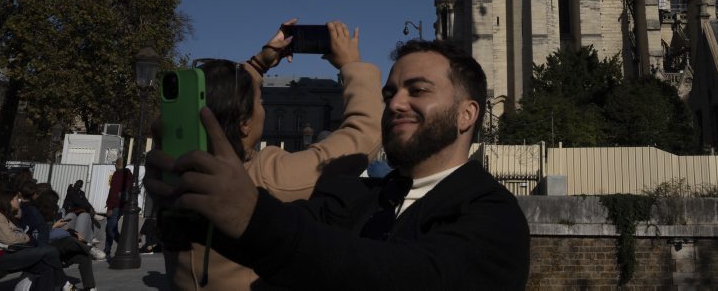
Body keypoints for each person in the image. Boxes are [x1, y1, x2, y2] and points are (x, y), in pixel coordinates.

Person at [148, 38, 530, 290]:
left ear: (467, 114)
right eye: (390, 92)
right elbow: (294, 234)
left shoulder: (492, 215)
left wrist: (252, 216)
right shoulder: (353, 196)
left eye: (418, 90)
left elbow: (409, 274)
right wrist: (190, 202)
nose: (395, 103)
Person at [162, 19, 383, 290]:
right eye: (260, 101)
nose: (263, 108)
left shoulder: (172, 169)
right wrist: (352, 65)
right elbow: (363, 136)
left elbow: (217, 99)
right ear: (244, 123)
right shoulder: (263, 178)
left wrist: (258, 64)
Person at [0, 190, 69, 291]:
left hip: (10, 253)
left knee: (46, 267)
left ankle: (62, 283)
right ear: (7, 201)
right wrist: (28, 237)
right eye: (16, 199)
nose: (19, 200)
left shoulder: (5, 215)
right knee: (50, 250)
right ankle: (64, 282)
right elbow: (10, 238)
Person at [103, 158, 132, 259]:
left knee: (111, 229)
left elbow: (113, 192)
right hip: (122, 206)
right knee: (109, 228)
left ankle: (123, 246)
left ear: (116, 165)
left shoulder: (117, 174)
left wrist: (110, 207)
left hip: (115, 206)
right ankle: (106, 251)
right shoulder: (128, 175)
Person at [61, 180, 98, 247]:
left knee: (87, 215)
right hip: (70, 211)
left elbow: (85, 201)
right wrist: (89, 207)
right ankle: (90, 237)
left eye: (80, 185)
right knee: (84, 214)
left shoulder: (81, 193)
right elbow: (78, 201)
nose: (78, 186)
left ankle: (92, 236)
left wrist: (91, 208)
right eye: (77, 184)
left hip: (77, 211)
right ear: (75, 184)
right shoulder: (71, 191)